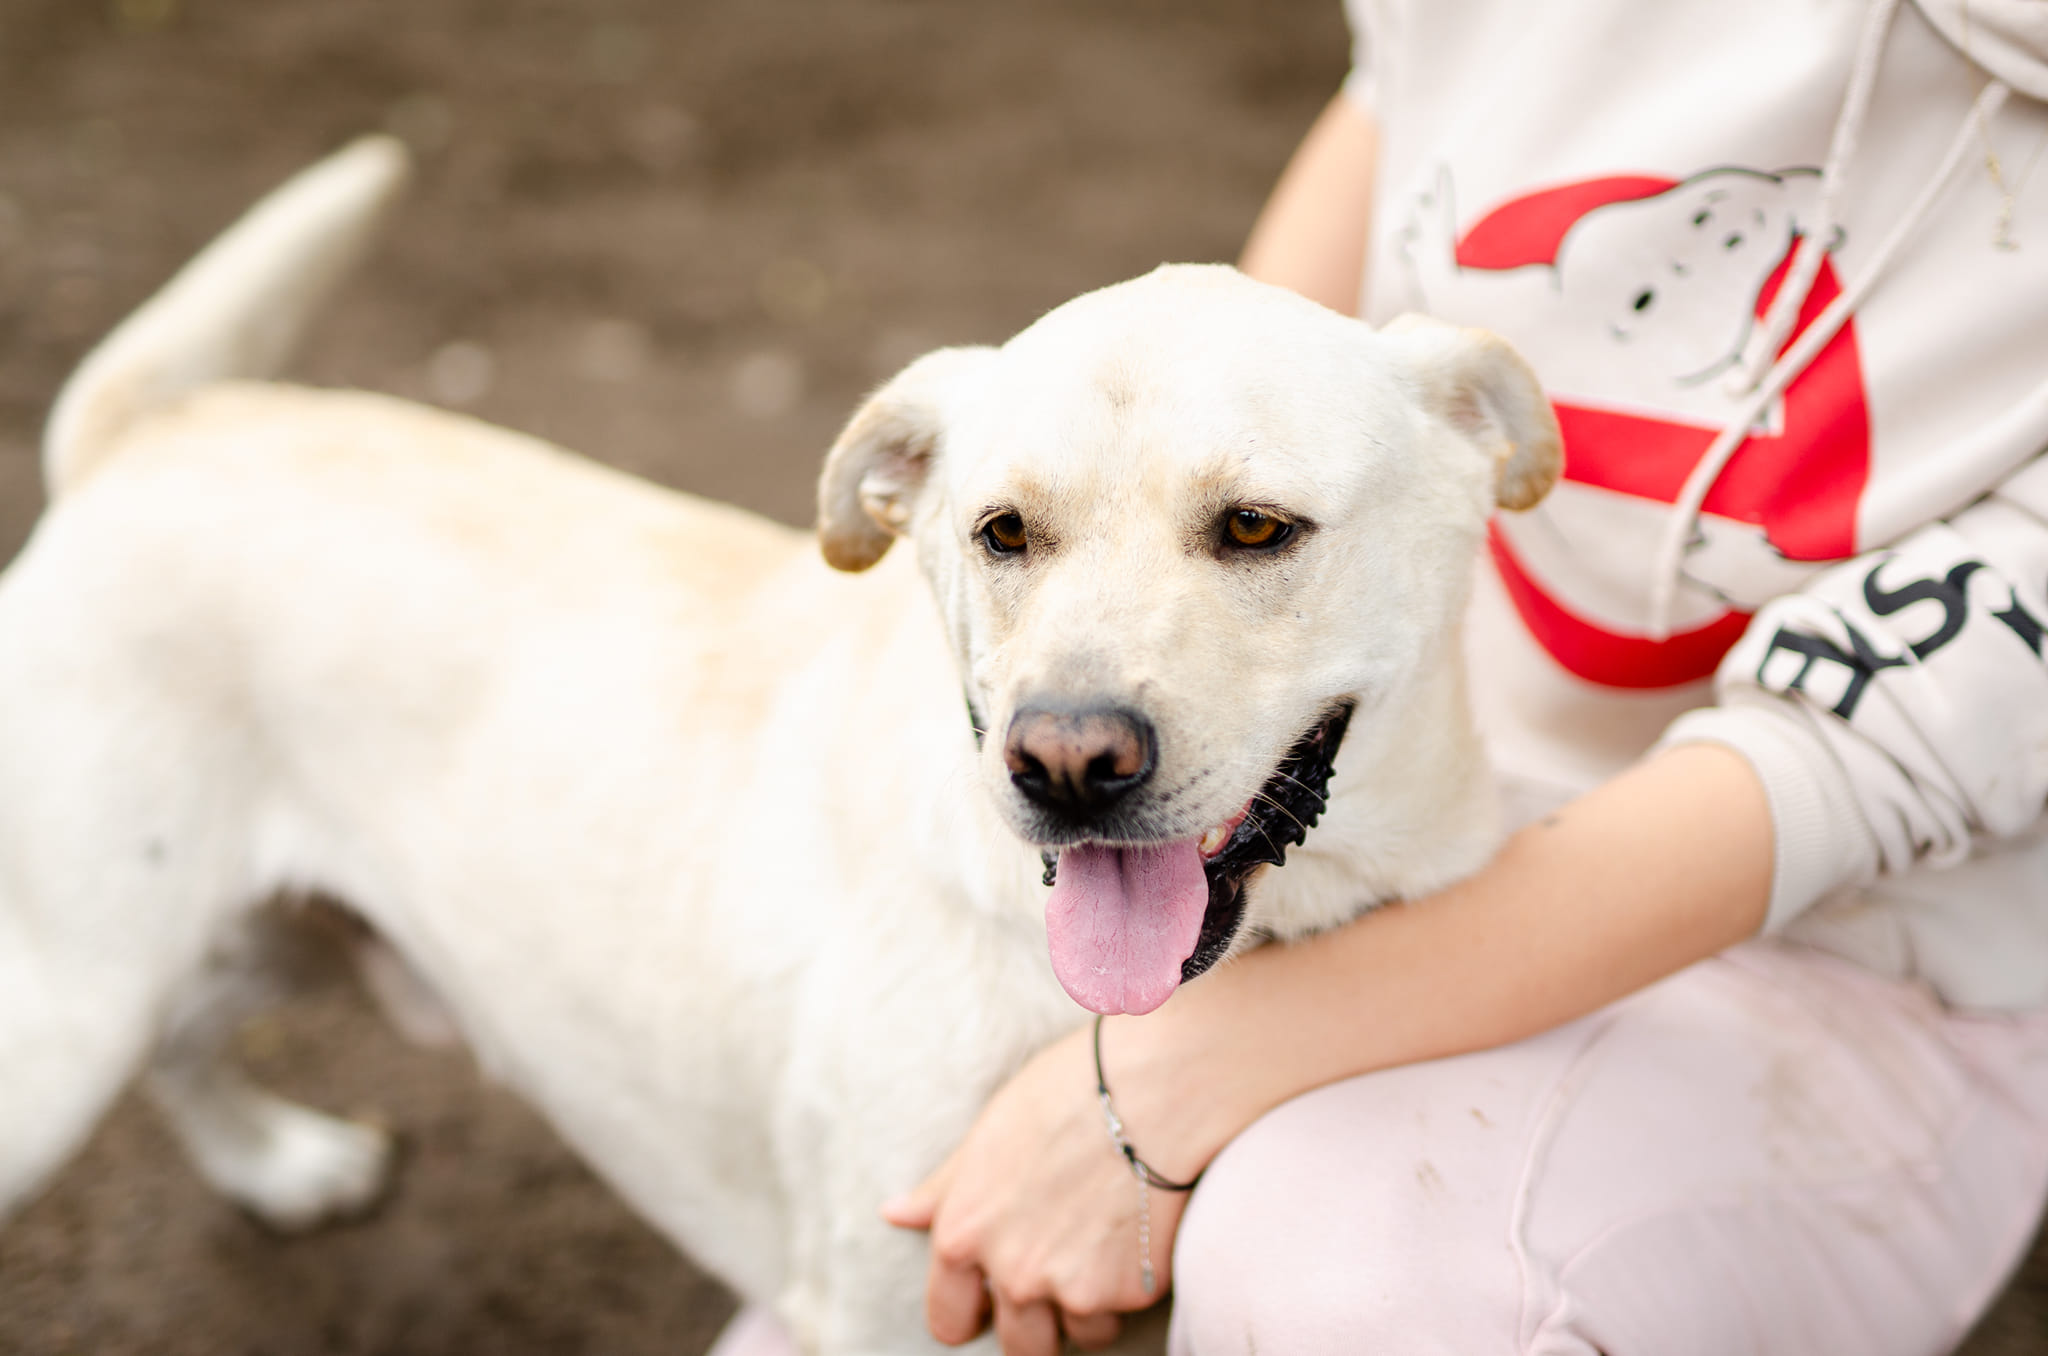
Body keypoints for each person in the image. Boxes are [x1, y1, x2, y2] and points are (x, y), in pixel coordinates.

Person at [874, 1, 2048, 1352]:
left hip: (1855, 950)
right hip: (1409, 807)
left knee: (1344, 1281)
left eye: (1255, 529)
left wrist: (1158, 1078)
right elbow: (1316, 231)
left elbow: (1848, 766)